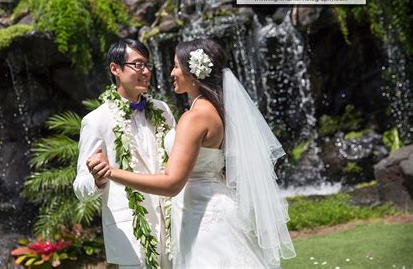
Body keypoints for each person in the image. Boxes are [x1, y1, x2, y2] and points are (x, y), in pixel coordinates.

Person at [89, 39, 296, 268]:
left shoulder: (193, 117)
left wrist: (111, 172)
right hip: (213, 203)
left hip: (202, 214)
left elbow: (172, 183)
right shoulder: (217, 109)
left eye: (177, 66)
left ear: (193, 73)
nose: (171, 73)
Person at [73, 39, 176, 268]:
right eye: (138, 65)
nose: (146, 71)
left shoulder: (162, 110)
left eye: (147, 65)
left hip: (174, 228)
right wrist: (98, 180)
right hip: (132, 237)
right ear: (115, 69)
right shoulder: (96, 121)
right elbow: (80, 187)